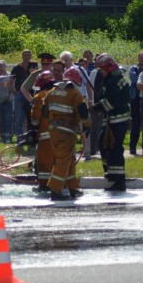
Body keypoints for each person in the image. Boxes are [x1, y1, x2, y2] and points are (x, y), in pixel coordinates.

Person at [44, 67, 90, 200]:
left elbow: (44, 111)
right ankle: (55, 190)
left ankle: (72, 188)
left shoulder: (51, 92)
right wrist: (87, 125)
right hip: (66, 133)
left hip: (53, 132)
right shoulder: (74, 93)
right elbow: (82, 111)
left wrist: (53, 123)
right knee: (63, 161)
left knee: (69, 160)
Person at [90, 53, 131, 192]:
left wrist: (97, 106)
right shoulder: (112, 78)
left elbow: (112, 101)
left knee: (114, 148)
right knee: (103, 142)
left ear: (108, 68)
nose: (100, 73)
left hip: (117, 119)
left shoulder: (113, 80)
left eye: (101, 70)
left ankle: (119, 181)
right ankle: (111, 172)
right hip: (113, 119)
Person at [30, 70, 57, 192]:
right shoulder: (61, 93)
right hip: (62, 134)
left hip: (46, 135)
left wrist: (34, 129)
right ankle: (62, 184)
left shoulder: (39, 96)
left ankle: (44, 185)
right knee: (60, 161)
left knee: (44, 161)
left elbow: (35, 118)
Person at [128, 51, 143, 155]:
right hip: (135, 99)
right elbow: (134, 80)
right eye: (141, 57)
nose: (142, 59)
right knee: (135, 123)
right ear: (138, 58)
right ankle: (132, 147)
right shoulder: (133, 69)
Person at [11, 49, 32, 138]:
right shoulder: (16, 68)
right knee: (18, 119)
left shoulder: (33, 66)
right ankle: (20, 139)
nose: (27, 56)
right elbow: (10, 81)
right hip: (19, 94)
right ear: (22, 56)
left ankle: (30, 138)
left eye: (28, 55)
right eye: (25, 55)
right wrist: (13, 92)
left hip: (30, 95)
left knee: (30, 118)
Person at [0, 60, 14, 144]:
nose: (0, 68)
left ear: (5, 66)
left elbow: (10, 87)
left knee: (8, 119)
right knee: (0, 120)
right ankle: (2, 136)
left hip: (8, 100)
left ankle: (8, 137)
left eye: (1, 66)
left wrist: (9, 97)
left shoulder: (9, 76)